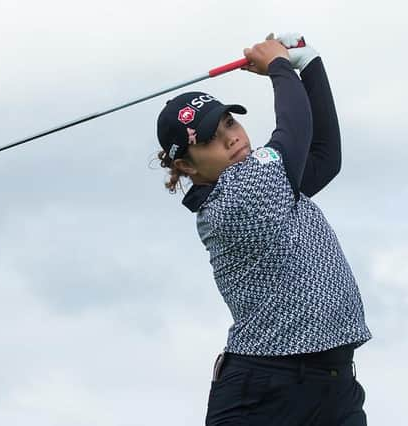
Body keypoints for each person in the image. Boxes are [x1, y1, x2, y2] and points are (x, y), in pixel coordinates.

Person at [156, 33, 372, 426]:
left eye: (229, 122)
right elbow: (294, 133)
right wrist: (279, 67)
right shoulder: (238, 198)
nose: (232, 136)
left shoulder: (270, 182)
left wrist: (310, 65)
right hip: (265, 394)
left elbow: (324, 156)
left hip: (333, 388)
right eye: (211, 139)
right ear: (186, 166)